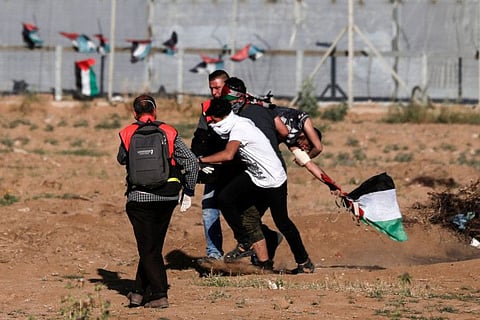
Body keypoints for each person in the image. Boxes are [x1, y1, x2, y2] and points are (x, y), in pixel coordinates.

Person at [202, 98, 315, 273]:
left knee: (282, 221)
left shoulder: (239, 127)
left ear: (222, 116)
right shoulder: (236, 123)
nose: (211, 123)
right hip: (255, 176)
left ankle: (304, 261)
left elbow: (228, 155)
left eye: (213, 120)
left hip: (274, 178)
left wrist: (200, 160)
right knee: (225, 198)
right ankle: (249, 246)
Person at [117, 94, 199, 308]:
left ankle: (159, 294)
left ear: (134, 113)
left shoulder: (127, 132)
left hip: (139, 199)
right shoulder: (169, 131)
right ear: (155, 112)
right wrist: (189, 189)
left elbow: (121, 159)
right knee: (152, 246)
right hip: (167, 197)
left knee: (147, 248)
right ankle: (137, 293)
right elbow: (191, 161)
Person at [191, 70, 243, 261]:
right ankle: (214, 254)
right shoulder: (207, 108)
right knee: (209, 207)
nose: (214, 92)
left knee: (244, 211)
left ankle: (258, 251)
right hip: (215, 165)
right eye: (211, 88)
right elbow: (200, 136)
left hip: (239, 167)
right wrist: (197, 158)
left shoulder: (242, 106)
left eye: (218, 88)